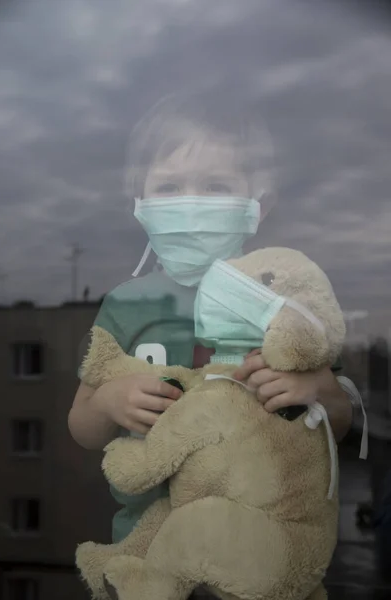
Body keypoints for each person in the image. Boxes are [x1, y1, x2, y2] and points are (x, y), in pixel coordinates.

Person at [68, 88, 359, 596]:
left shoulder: (279, 297)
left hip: (256, 555)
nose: (190, 202)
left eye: (216, 185)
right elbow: (83, 427)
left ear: (257, 206)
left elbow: (334, 427)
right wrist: (110, 399)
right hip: (146, 553)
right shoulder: (128, 303)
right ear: (139, 202)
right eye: (170, 186)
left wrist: (321, 390)